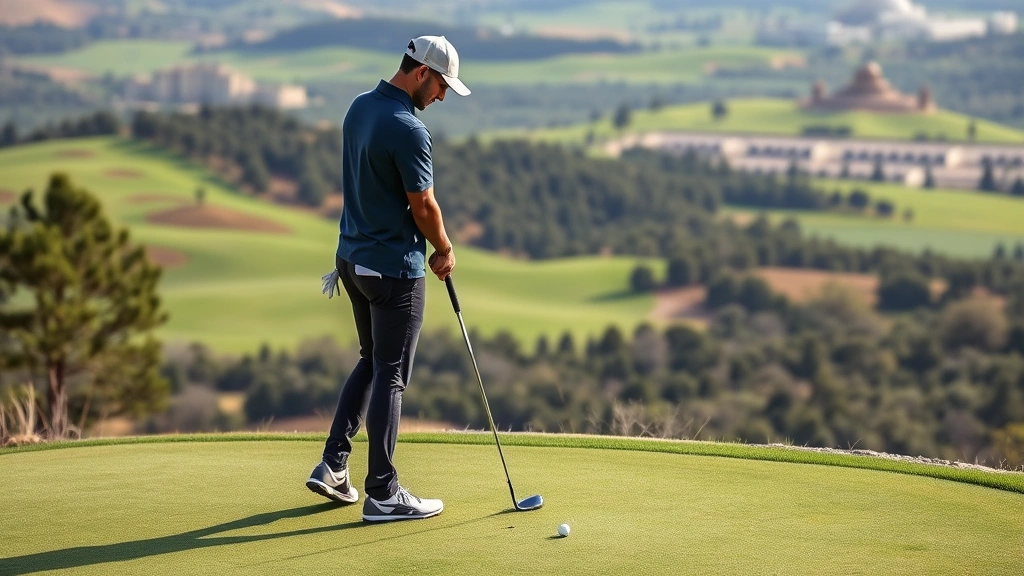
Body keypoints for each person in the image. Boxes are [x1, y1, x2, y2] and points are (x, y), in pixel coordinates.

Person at [306, 36, 471, 522]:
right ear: (421, 73)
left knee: (372, 361)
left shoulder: (359, 108)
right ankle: (383, 492)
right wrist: (443, 248)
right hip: (392, 270)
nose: (441, 97)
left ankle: (334, 465)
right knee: (391, 374)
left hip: (351, 262)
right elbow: (423, 205)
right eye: (441, 85)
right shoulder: (409, 129)